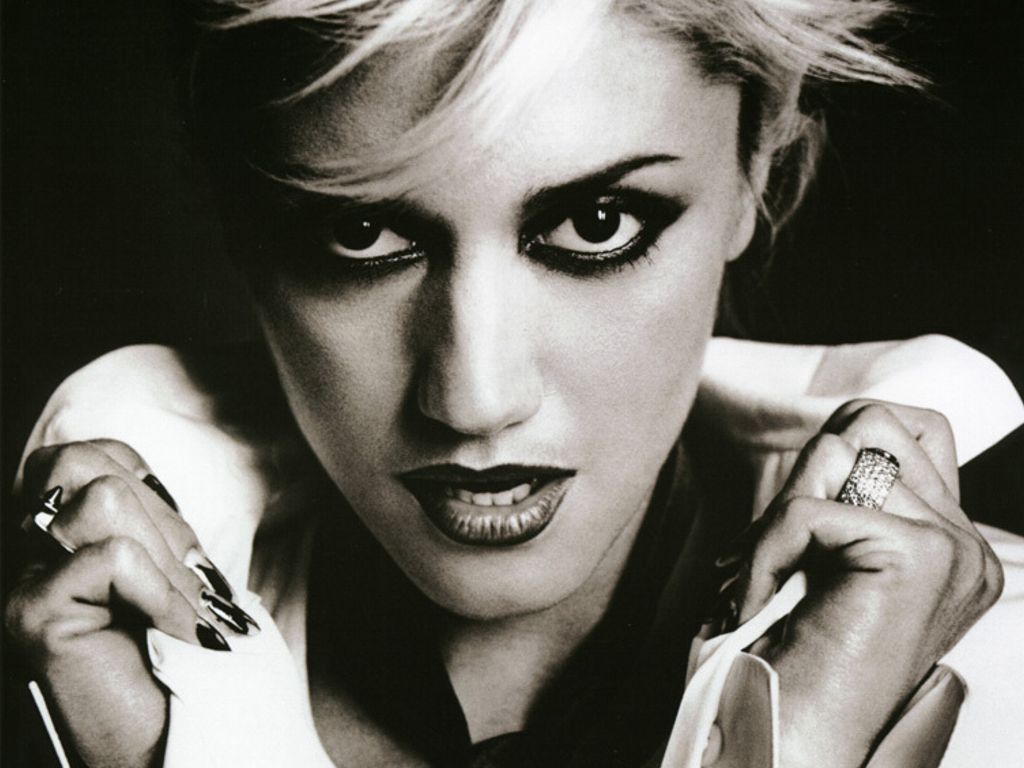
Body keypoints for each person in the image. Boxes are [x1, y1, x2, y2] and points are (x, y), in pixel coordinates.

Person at [5, 1, 1023, 766]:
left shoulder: (1008, 689)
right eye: (361, 234)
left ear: (757, 167)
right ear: (237, 222)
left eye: (596, 224)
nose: (475, 399)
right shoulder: (70, 682)